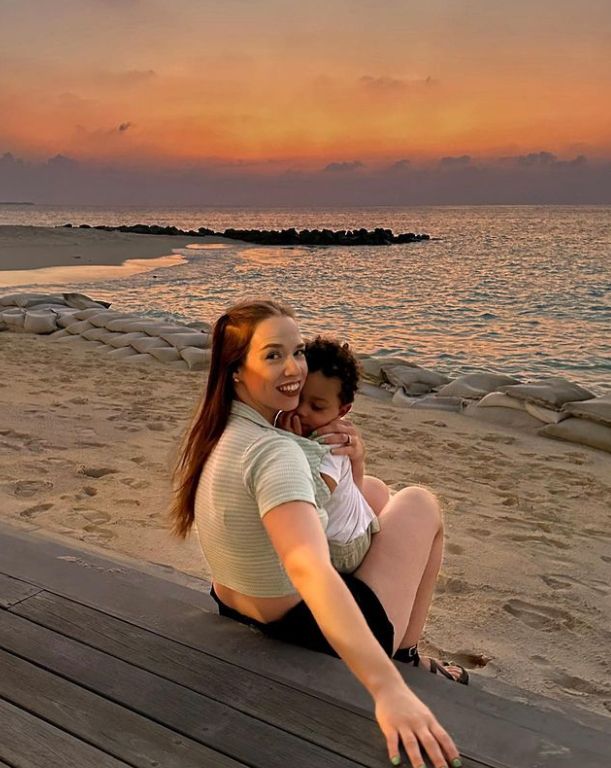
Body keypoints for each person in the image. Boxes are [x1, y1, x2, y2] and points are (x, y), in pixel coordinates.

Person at [171, 299, 464, 768]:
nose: (293, 368)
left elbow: (334, 500)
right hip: (299, 623)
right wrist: (387, 689)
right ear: (237, 371)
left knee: (376, 492)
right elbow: (307, 565)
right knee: (420, 504)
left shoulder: (222, 427)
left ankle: (404, 650)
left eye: (298, 351)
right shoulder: (276, 453)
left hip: (237, 599)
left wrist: (358, 461)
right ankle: (406, 656)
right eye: (272, 355)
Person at [277, 335, 380, 574]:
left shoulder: (330, 441)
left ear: (342, 411)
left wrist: (294, 443)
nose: (302, 410)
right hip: (335, 541)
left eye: (317, 407)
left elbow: (316, 493)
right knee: (379, 493)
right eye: (297, 396)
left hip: (343, 547)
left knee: (380, 493)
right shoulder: (290, 423)